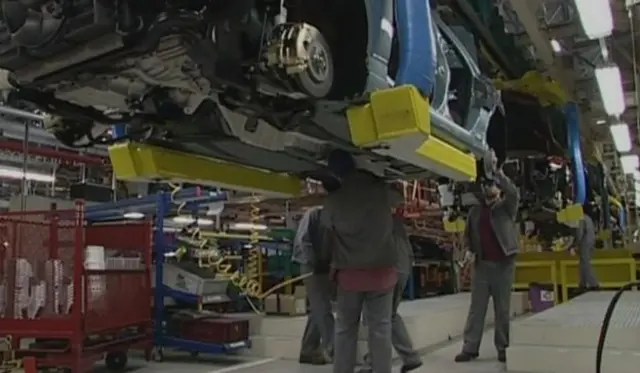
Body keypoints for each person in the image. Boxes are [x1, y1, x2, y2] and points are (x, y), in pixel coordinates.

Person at [320, 149, 399, 373]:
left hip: (350, 276)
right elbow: (398, 198)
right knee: (381, 329)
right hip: (382, 274)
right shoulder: (380, 191)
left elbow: (327, 234)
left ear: (335, 174)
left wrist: (326, 265)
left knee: (345, 329)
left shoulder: (334, 200)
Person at [455, 154, 520, 364]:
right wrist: (468, 250)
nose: (488, 189)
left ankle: (503, 347)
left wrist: (497, 174)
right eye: (487, 186)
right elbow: (468, 236)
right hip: (481, 266)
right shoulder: (475, 212)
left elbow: (514, 192)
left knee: (502, 309)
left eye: (492, 186)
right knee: (477, 309)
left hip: (503, 265)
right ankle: (470, 348)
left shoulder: (506, 208)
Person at [358, 209, 423, 373]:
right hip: (402, 268)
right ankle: (410, 356)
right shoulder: (394, 220)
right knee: (390, 315)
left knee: (374, 316)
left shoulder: (373, 218)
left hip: (388, 270)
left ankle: (373, 363)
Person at [292, 205, 335, 365]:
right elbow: (303, 240)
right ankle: (335, 349)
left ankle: (308, 350)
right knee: (323, 308)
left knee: (318, 308)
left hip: (325, 266)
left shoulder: (336, 215)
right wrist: (313, 261)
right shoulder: (313, 214)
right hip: (310, 265)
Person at [569, 204, 599, 290]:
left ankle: (594, 284)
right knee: (583, 263)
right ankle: (582, 284)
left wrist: (575, 244)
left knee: (585, 263)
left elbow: (580, 234)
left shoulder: (581, 218)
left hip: (585, 243)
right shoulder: (589, 218)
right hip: (591, 242)